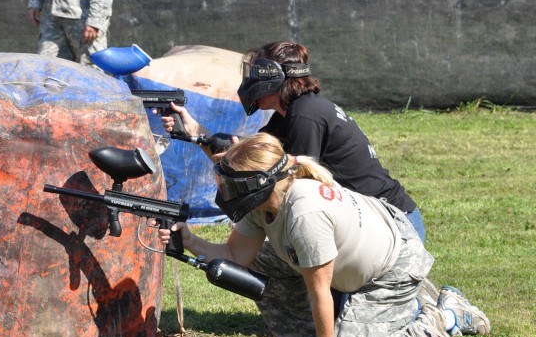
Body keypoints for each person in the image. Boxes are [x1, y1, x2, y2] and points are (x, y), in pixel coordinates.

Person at [158, 133, 491, 337]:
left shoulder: (304, 215)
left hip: (390, 267)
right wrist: (189, 240)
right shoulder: (265, 200)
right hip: (362, 254)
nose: (226, 193)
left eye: (233, 185)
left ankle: (439, 320)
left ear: (260, 183)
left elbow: (321, 293)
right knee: (256, 265)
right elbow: (236, 257)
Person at [161, 41, 426, 241]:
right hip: (369, 223)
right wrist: (197, 132)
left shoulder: (305, 116)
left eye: (256, 73)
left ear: (272, 78)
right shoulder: (290, 114)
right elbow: (246, 156)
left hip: (393, 228)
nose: (249, 80)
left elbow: (298, 190)